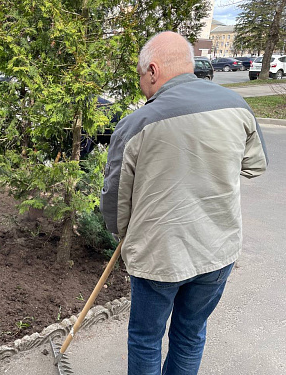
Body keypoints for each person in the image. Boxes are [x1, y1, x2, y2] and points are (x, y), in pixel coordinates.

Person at [100, 31, 268, 374]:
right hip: (217, 252)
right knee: (190, 335)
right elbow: (255, 165)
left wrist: (121, 235)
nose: (141, 86)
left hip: (160, 257)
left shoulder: (136, 125)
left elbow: (115, 200)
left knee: (147, 338)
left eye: (140, 77)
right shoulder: (238, 107)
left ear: (152, 70)